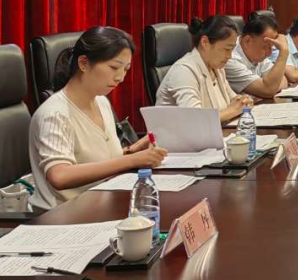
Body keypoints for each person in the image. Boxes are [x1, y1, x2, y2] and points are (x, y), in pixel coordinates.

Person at [29, 27, 168, 210]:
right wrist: (133, 160)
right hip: (65, 215)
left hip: (102, 204)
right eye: (114, 67)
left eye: (126, 69)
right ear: (84, 63)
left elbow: (95, 160)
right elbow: (59, 175)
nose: (121, 77)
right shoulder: (55, 114)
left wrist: (132, 151)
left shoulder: (101, 102)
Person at [156, 16, 252, 123]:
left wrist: (243, 101)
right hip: (178, 133)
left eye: (232, 50)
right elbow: (196, 119)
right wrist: (233, 110)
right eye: (227, 49)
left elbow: (233, 99)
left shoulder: (217, 67)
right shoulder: (183, 71)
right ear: (205, 42)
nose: (229, 56)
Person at [225, 13, 290, 98]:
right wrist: (284, 52)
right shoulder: (230, 59)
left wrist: (272, 88)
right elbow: (268, 90)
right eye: (266, 47)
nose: (269, 53)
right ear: (247, 41)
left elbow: (282, 79)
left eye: (271, 47)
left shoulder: (256, 52)